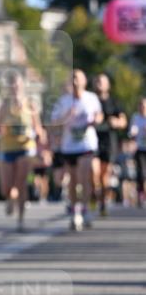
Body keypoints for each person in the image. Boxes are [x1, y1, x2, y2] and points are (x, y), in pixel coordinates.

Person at [50, 69, 103, 231]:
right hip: (69, 146)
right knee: (73, 181)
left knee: (84, 176)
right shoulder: (63, 101)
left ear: (84, 81)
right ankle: (75, 211)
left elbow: (99, 115)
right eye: (72, 78)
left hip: (87, 144)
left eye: (77, 78)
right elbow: (54, 122)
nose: (75, 81)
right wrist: (66, 116)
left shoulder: (91, 98)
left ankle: (85, 208)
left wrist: (96, 120)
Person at [0, 71, 43, 231]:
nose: (15, 87)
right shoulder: (4, 104)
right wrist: (1, 131)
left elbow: (38, 129)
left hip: (26, 147)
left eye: (17, 84)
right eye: (12, 84)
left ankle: (21, 219)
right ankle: (10, 198)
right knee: (6, 187)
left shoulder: (30, 104)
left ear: (22, 85)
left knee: (20, 184)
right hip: (7, 147)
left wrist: (34, 134)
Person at [92, 73, 127, 216]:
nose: (100, 83)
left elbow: (124, 121)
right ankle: (94, 196)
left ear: (108, 85)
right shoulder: (90, 100)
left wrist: (116, 122)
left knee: (104, 175)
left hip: (109, 141)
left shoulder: (114, 102)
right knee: (94, 173)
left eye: (102, 81)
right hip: (92, 141)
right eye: (97, 81)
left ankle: (103, 202)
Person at [128, 96, 146, 207]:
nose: (143, 108)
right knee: (141, 173)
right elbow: (132, 131)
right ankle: (140, 194)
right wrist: (134, 133)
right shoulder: (135, 117)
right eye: (141, 105)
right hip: (139, 148)